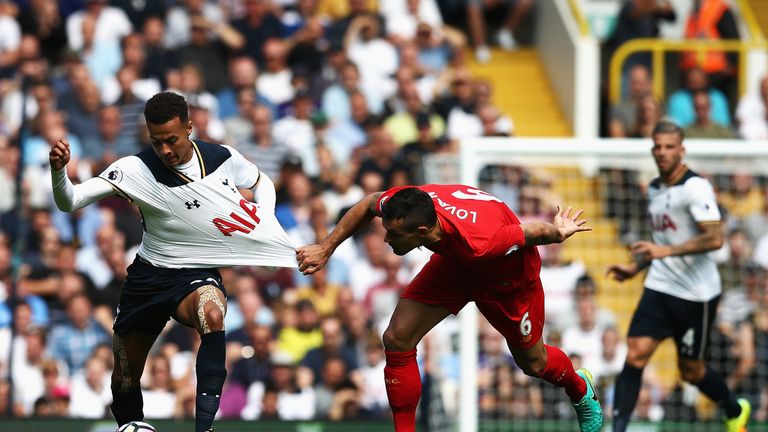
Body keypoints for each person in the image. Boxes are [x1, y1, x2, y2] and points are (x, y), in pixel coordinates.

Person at [48, 92, 296, 432]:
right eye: (156, 141)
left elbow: (260, 181)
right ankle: (131, 426)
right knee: (124, 377)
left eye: (171, 140)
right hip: (148, 278)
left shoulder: (220, 157)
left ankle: (204, 428)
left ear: (189, 128)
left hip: (196, 271)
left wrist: (262, 219)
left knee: (213, 314)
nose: (164, 150)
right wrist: (59, 172)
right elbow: (71, 201)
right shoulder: (134, 169)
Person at [297, 185, 604, 431]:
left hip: (507, 282)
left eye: (393, 233)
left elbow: (532, 232)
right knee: (396, 338)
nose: (386, 237)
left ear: (421, 232)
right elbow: (368, 203)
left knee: (534, 364)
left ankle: (580, 388)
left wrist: (559, 230)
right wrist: (326, 248)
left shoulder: (481, 241)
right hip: (456, 266)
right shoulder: (410, 204)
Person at [607, 120, 750, 432]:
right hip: (660, 285)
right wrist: (636, 267)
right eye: (657, 146)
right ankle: (617, 429)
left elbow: (715, 238)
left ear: (681, 150)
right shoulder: (656, 188)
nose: (662, 152)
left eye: (669, 146)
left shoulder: (695, 187)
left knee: (691, 371)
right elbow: (662, 242)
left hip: (695, 294)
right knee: (635, 354)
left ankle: (734, 407)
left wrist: (664, 254)